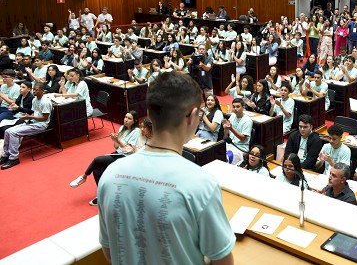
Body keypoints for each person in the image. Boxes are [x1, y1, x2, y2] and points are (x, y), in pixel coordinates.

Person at [97, 71, 235, 264]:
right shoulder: (201, 184)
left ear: (150, 114)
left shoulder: (110, 175)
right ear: (192, 116)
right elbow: (223, 261)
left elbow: (110, 251)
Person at [69, 112, 150, 205]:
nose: (126, 120)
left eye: (129, 118)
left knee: (97, 160)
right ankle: (102, 195)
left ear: (134, 121)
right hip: (118, 153)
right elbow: (116, 147)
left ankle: (84, 177)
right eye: (125, 117)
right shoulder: (122, 128)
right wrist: (115, 141)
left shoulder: (136, 131)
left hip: (126, 157)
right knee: (96, 169)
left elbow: (129, 150)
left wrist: (118, 141)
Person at [0, 82, 52, 169]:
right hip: (32, 121)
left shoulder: (45, 102)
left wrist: (29, 117)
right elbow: (33, 112)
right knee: (7, 131)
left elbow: (45, 118)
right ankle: (5, 155)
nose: (34, 92)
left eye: (36, 90)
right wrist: (27, 117)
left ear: (42, 91)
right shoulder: (35, 100)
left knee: (13, 133)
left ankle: (14, 158)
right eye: (33, 90)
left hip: (41, 125)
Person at [223, 98, 254, 165]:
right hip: (230, 144)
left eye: (238, 106)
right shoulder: (233, 116)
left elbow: (243, 138)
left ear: (243, 107)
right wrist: (225, 129)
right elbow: (226, 135)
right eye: (234, 107)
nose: (235, 109)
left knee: (228, 158)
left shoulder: (247, 120)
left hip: (240, 148)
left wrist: (231, 129)